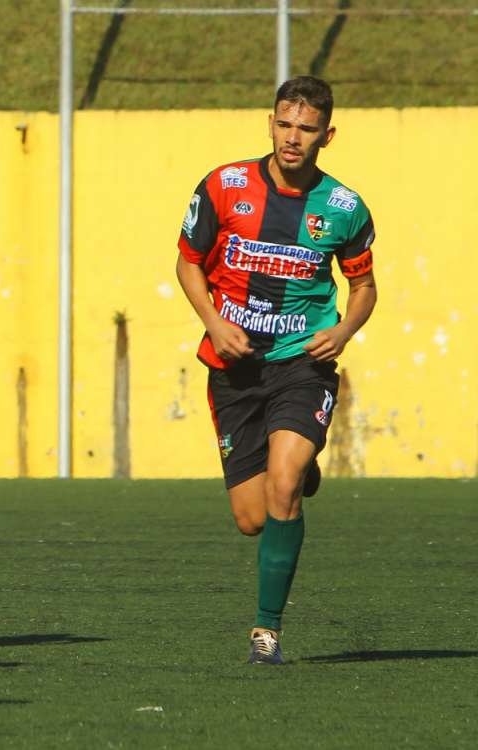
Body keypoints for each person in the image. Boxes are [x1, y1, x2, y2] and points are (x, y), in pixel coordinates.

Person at [175, 76, 377, 664]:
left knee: (283, 485)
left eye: (307, 129)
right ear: (270, 123)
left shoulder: (343, 208)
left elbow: (363, 287)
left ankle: (266, 632)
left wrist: (342, 330)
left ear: (326, 135)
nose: (293, 139)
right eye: (285, 124)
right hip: (233, 368)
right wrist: (214, 322)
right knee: (252, 518)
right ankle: (298, 471)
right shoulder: (224, 185)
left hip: (300, 365)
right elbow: (188, 264)